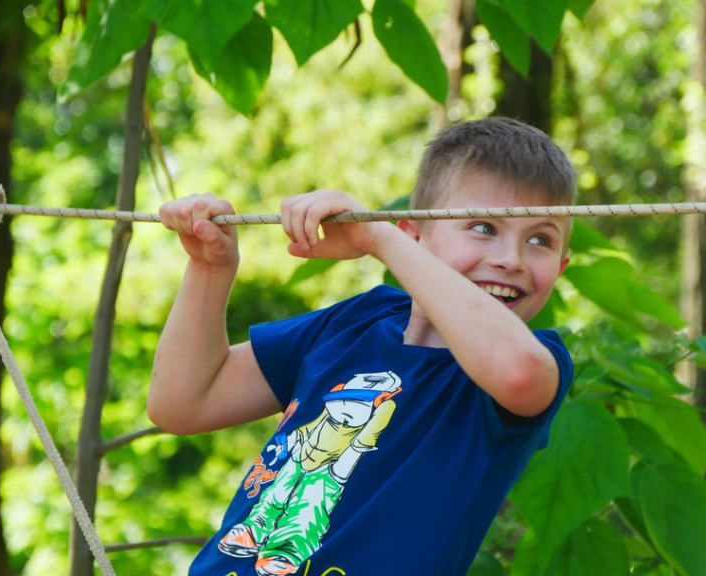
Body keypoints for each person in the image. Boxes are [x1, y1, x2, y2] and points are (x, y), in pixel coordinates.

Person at [148, 117, 577, 576]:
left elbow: (518, 372)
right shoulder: (359, 320)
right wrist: (210, 269)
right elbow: (182, 404)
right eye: (483, 228)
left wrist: (378, 239)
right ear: (416, 233)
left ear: (562, 264)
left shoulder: (533, 361)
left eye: (540, 240)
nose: (510, 259)